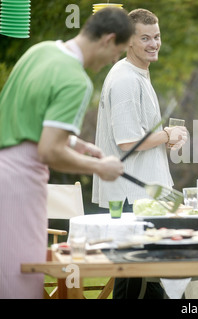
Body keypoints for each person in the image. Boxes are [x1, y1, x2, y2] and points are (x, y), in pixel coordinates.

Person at [0, 7, 133, 298]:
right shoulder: (77, 80)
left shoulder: (40, 51)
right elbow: (49, 150)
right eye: (118, 52)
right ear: (108, 40)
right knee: (20, 279)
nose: (114, 60)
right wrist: (98, 168)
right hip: (18, 182)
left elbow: (28, 122)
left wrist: (77, 144)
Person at [92, 8, 187, 299]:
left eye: (156, 37)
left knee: (148, 281)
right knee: (134, 281)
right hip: (133, 197)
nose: (153, 44)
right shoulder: (125, 80)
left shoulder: (139, 74)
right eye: (145, 38)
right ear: (128, 41)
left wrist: (163, 140)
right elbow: (127, 142)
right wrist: (168, 135)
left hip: (148, 195)